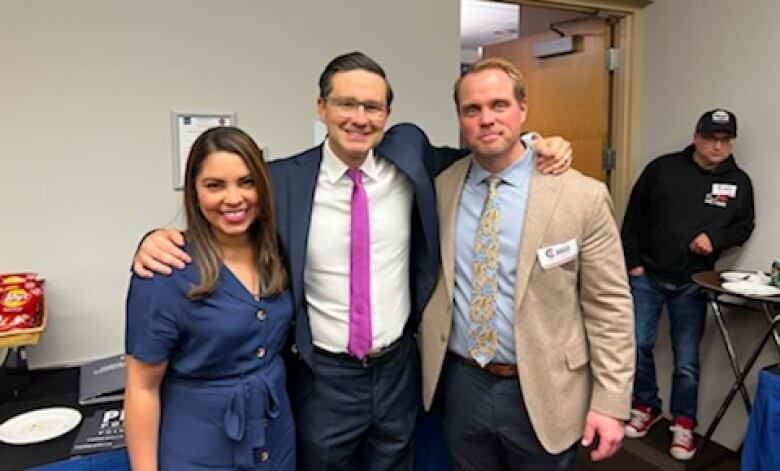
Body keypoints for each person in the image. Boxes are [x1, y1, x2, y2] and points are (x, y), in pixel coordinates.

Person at [131, 52, 572, 471]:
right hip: (324, 377)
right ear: (322, 107)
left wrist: (535, 143)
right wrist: (155, 239)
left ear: (387, 115)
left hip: (398, 368)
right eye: (346, 103)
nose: (360, 117)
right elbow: (229, 213)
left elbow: (481, 155)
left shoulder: (411, 158)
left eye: (373, 107)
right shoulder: (281, 180)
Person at [418, 57, 635, 471]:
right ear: (460, 118)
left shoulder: (580, 196)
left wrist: (611, 402)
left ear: (523, 109)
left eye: (499, 105)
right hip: (463, 384)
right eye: (472, 109)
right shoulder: (441, 187)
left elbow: (610, 307)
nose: (486, 119)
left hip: (547, 389)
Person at [124, 126, 295, 471]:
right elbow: (142, 388)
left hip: (276, 441)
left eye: (246, 182)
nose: (234, 199)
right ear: (194, 192)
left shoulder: (279, 251)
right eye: (215, 185)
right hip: (201, 450)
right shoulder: (165, 270)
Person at [620, 109, 755, 460]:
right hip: (647, 275)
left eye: (725, 140)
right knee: (638, 345)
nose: (717, 145)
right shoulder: (663, 169)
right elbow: (633, 215)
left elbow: (744, 226)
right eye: (711, 138)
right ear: (696, 137)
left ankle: (683, 424)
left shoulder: (739, 182)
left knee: (686, 361)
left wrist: (715, 239)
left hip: (692, 283)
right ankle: (645, 406)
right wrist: (632, 263)